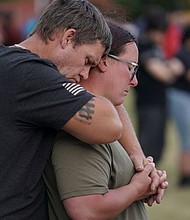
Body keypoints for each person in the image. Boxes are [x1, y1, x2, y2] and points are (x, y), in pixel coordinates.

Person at [0, 1, 124, 219]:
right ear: (68, 37)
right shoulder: (31, 74)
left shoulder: (8, 63)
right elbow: (109, 126)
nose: (85, 75)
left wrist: (137, 156)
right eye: (87, 61)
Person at [43, 21, 168, 220]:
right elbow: (85, 210)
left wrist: (145, 175)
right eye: (131, 68)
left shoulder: (102, 119)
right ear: (103, 61)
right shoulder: (84, 128)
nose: (134, 80)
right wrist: (136, 189)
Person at [135, 8, 183, 163]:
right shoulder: (144, 45)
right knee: (148, 143)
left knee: (159, 142)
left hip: (160, 101)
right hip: (148, 103)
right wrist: (174, 68)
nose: (162, 37)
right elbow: (163, 74)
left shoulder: (156, 46)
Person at [167, 25, 190, 186]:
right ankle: (185, 176)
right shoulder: (182, 54)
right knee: (187, 137)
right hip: (180, 98)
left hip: (183, 97)